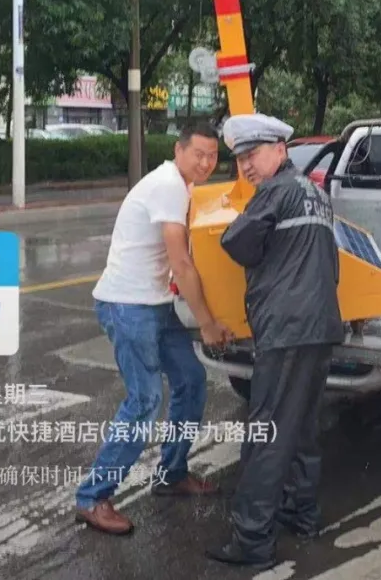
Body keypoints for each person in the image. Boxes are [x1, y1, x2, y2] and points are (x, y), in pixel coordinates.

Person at [74, 121, 233, 536]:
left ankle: (171, 475)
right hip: (128, 305)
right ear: (179, 151)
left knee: (191, 380)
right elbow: (182, 262)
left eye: (213, 156)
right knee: (145, 399)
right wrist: (208, 323)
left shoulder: (185, 187)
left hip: (156, 304)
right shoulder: (168, 185)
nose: (205, 162)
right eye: (198, 153)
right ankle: (92, 498)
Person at [206, 113, 345, 569]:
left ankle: (252, 540)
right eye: (241, 159)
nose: (246, 166)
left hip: (285, 330)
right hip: (321, 327)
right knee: (303, 425)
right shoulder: (317, 195)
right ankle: (301, 513)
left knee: (266, 432)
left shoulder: (275, 192)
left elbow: (235, 242)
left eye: (253, 154)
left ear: (280, 150)